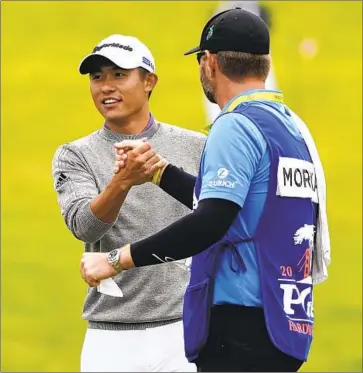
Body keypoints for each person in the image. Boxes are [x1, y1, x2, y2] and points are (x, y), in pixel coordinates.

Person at [80, 8, 330, 373]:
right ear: (265, 62)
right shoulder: (290, 128)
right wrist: (161, 172)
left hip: (240, 323)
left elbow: (211, 221)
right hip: (287, 318)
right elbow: (244, 211)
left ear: (209, 62)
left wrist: (117, 260)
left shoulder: (235, 125)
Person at [52, 33, 205, 372]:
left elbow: (218, 217)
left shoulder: (197, 146)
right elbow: (83, 226)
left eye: (119, 75)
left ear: (149, 81)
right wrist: (123, 181)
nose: (106, 86)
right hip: (111, 335)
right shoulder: (75, 155)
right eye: (97, 77)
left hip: (185, 328)